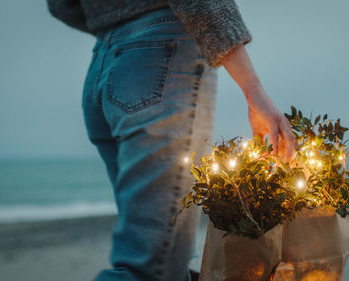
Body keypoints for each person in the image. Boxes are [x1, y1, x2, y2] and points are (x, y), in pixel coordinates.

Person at [47, 1, 296, 280]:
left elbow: (61, 6)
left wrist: (116, 19)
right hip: (160, 55)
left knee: (164, 262)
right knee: (151, 270)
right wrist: (253, 90)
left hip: (106, 65)